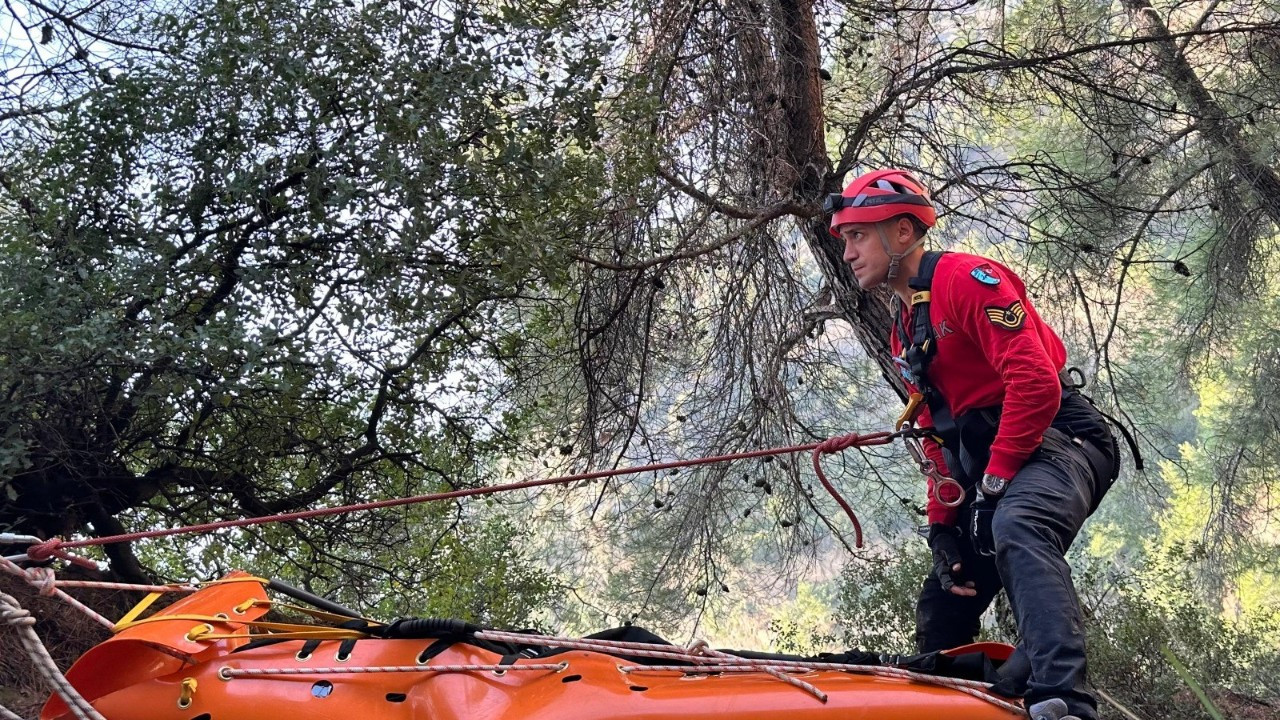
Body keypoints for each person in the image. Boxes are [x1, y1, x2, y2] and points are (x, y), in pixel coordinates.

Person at [825, 169, 1122, 720]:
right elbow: (936, 433)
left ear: (905, 233)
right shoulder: (905, 327)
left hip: (1063, 438)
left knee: (1017, 526)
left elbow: (1034, 383)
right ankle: (944, 703)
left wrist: (995, 481)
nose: (847, 253)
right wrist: (944, 527)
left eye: (858, 235)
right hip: (993, 461)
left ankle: (1066, 700)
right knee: (945, 593)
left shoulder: (967, 280)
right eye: (845, 239)